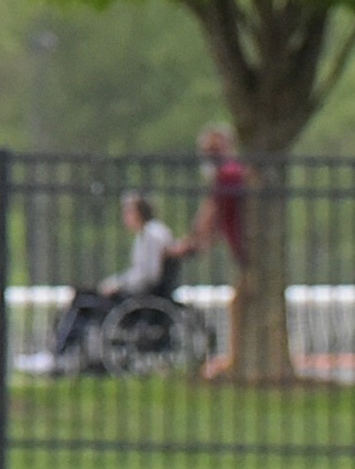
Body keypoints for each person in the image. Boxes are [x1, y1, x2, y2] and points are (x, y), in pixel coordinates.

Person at [19, 193, 174, 375]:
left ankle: (56, 353)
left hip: (136, 297)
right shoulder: (148, 234)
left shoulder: (152, 235)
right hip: (133, 292)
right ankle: (59, 350)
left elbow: (148, 275)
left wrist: (119, 285)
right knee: (82, 296)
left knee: (83, 302)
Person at [169, 124, 250, 377]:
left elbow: (211, 214)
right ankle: (238, 358)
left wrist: (192, 242)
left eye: (214, 149)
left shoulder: (228, 174)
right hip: (241, 249)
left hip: (246, 251)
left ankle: (236, 360)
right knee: (240, 302)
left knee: (240, 304)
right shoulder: (232, 173)